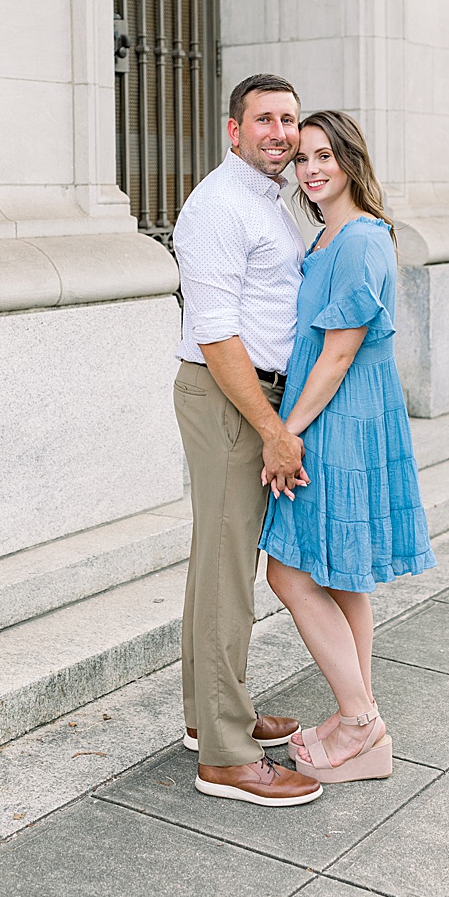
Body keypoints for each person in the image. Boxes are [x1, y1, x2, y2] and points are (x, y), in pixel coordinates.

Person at [259, 110, 435, 784]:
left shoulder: (360, 238)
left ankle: (360, 722)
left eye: (325, 155)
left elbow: (338, 354)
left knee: (289, 572)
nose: (312, 168)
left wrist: (287, 433)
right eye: (303, 159)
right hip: (334, 412)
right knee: (340, 574)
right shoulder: (331, 233)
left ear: (351, 160)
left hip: (338, 418)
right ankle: (361, 721)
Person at [171, 74, 322, 808]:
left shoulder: (273, 201)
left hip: (255, 395)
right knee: (229, 573)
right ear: (234, 131)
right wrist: (271, 429)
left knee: (220, 566)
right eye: (265, 119)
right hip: (232, 397)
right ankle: (227, 758)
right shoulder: (218, 208)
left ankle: (214, 717)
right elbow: (215, 329)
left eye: (288, 120)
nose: (281, 132)